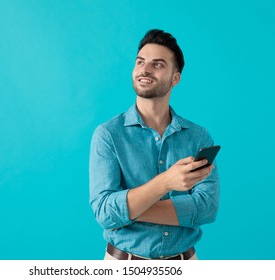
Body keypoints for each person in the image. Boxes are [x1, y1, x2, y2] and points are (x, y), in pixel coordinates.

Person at [89, 29, 219, 260]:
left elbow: (206, 208)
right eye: (140, 62)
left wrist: (129, 210)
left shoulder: (198, 137)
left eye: (157, 64)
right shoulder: (108, 135)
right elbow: (105, 214)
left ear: (175, 78)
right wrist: (166, 182)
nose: (145, 70)